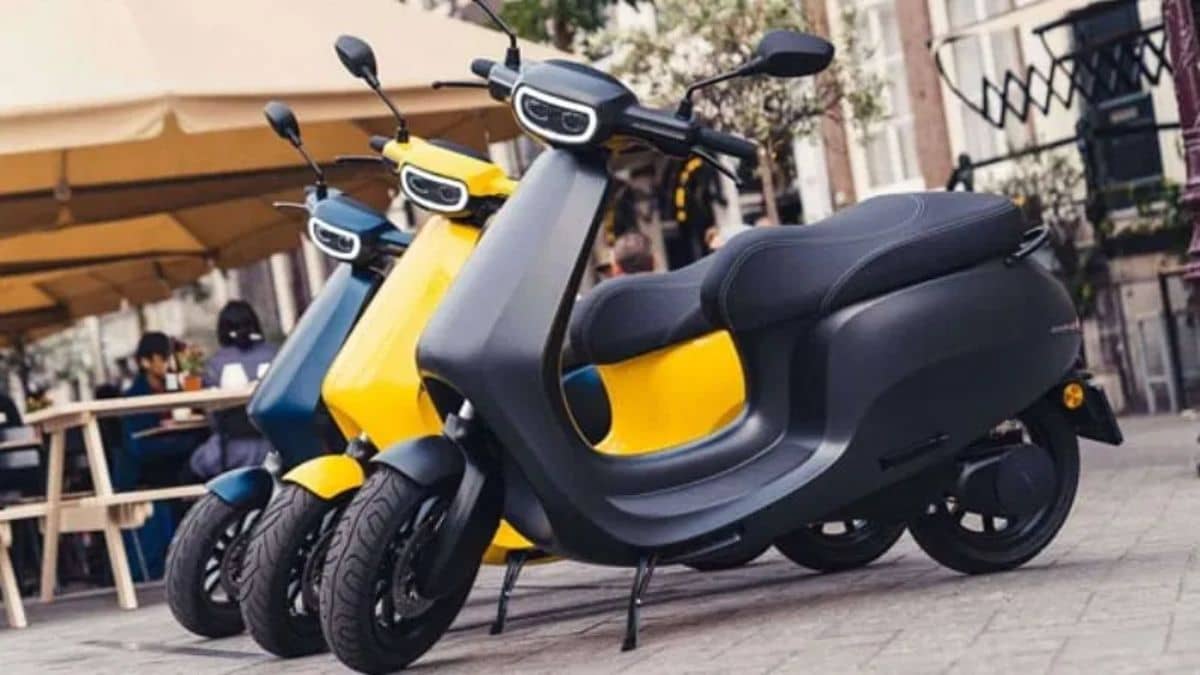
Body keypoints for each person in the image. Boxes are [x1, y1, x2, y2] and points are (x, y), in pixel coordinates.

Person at [188, 301, 278, 480]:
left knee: (193, 466)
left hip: (232, 452)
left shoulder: (215, 364)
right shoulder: (277, 355)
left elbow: (213, 418)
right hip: (278, 447)